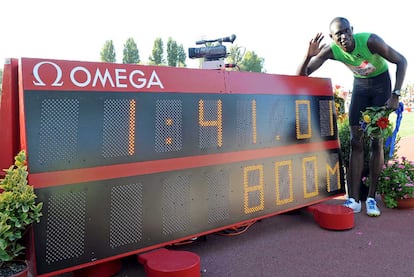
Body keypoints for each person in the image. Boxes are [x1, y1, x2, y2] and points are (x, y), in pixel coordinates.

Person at [297, 17, 407, 216]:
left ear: (352, 30)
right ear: (332, 37)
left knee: (376, 141)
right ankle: (354, 200)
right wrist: (307, 55)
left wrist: (396, 94)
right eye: (338, 34)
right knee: (356, 141)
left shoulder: (371, 41)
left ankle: (371, 198)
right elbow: (302, 76)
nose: (344, 37)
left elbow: (401, 60)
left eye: (346, 31)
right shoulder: (332, 51)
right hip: (361, 88)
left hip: (381, 86)